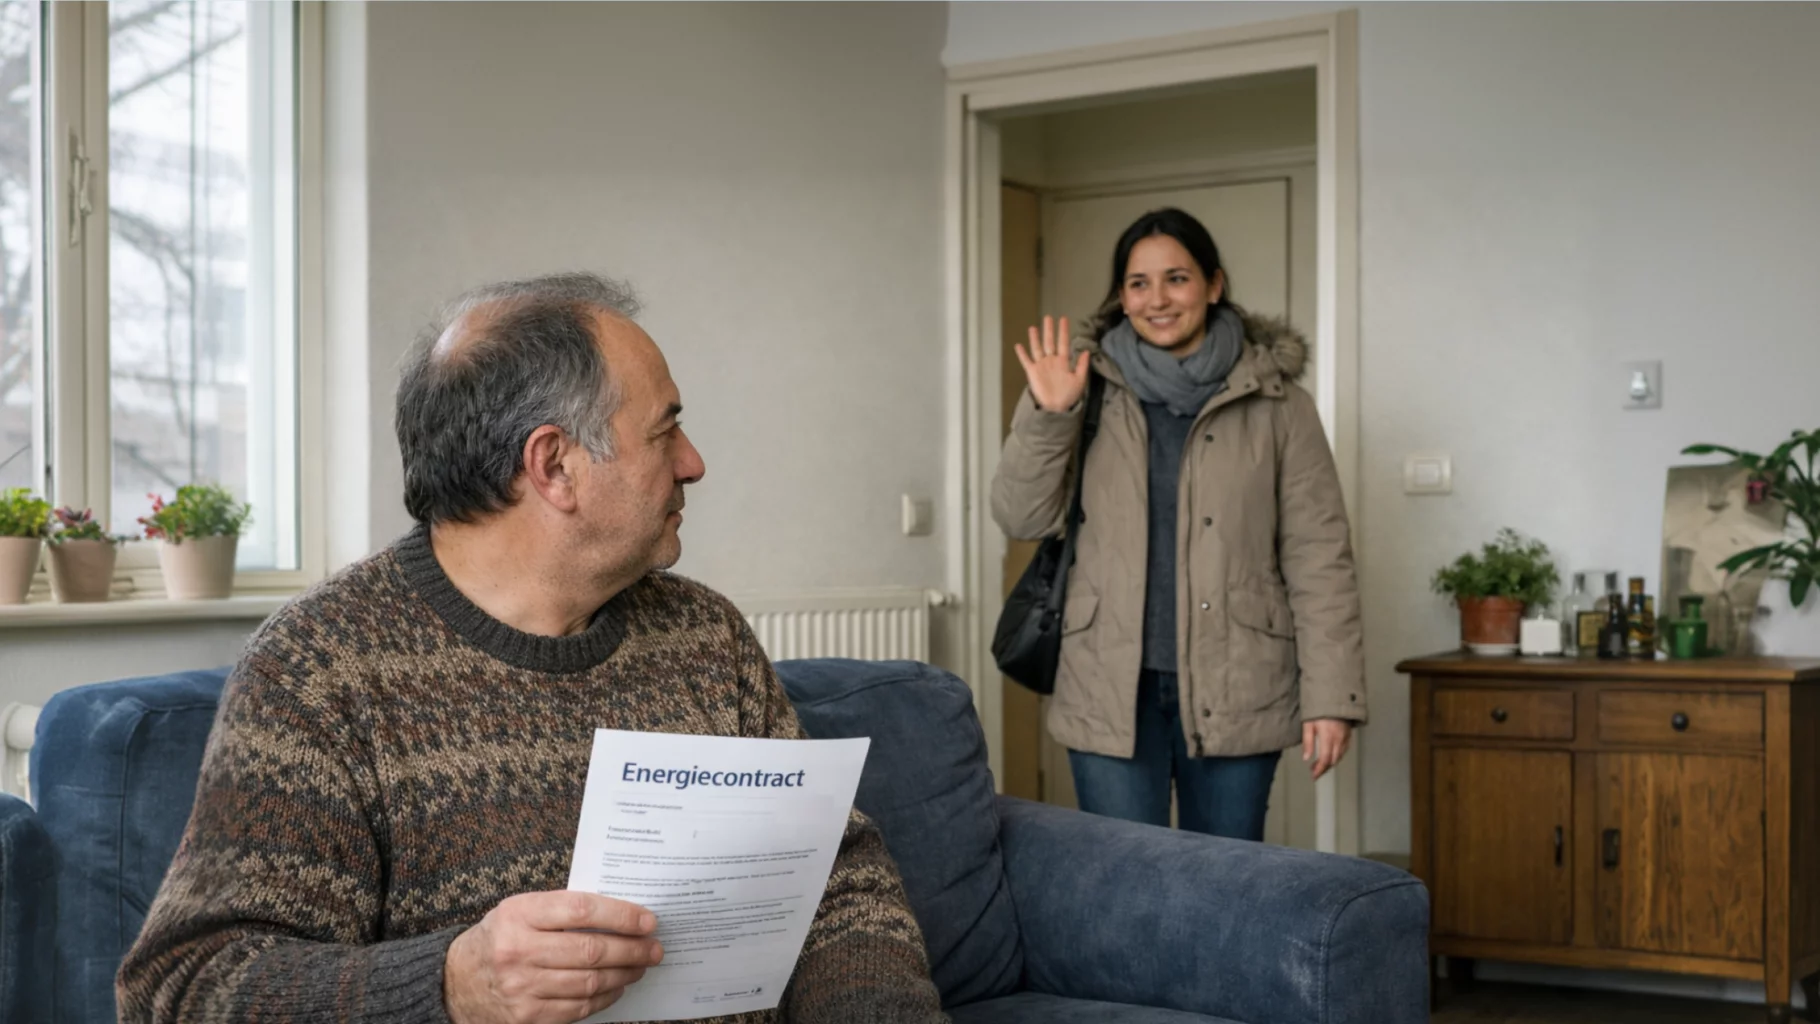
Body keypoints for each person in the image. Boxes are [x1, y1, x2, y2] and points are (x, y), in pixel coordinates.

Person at [118, 273, 946, 1024]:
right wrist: (449, 984)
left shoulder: (706, 638)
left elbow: (838, 879)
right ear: (554, 465)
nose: (694, 464)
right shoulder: (319, 672)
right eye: (667, 431)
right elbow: (185, 990)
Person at [991, 208, 1365, 841]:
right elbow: (1021, 515)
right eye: (1138, 283)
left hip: (1240, 678)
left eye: (1176, 279)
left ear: (1213, 285)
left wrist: (1333, 699)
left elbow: (1319, 554)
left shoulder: (1280, 404)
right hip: (1109, 682)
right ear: (1121, 296)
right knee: (1125, 882)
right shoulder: (1081, 387)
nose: (1157, 300)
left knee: (1224, 885)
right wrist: (1052, 415)